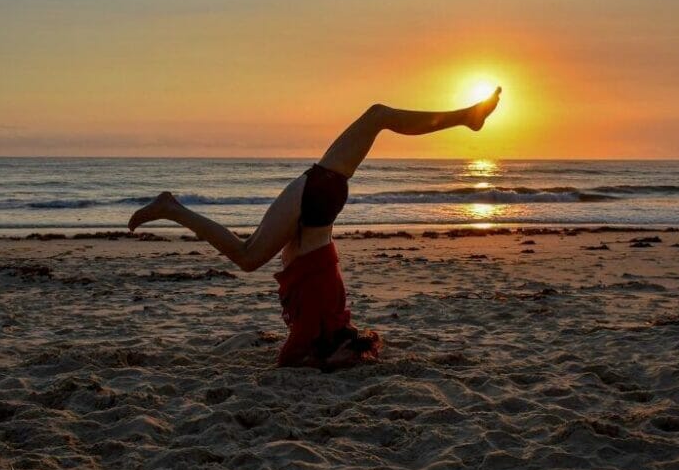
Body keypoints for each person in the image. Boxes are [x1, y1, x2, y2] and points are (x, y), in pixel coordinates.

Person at [128, 87, 502, 370]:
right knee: (247, 257)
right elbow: (290, 355)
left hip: (322, 204)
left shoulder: (335, 318)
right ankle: (171, 208)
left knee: (378, 116)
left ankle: (466, 118)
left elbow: (309, 346)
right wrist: (321, 358)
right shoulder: (321, 325)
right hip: (314, 205)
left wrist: (333, 352)